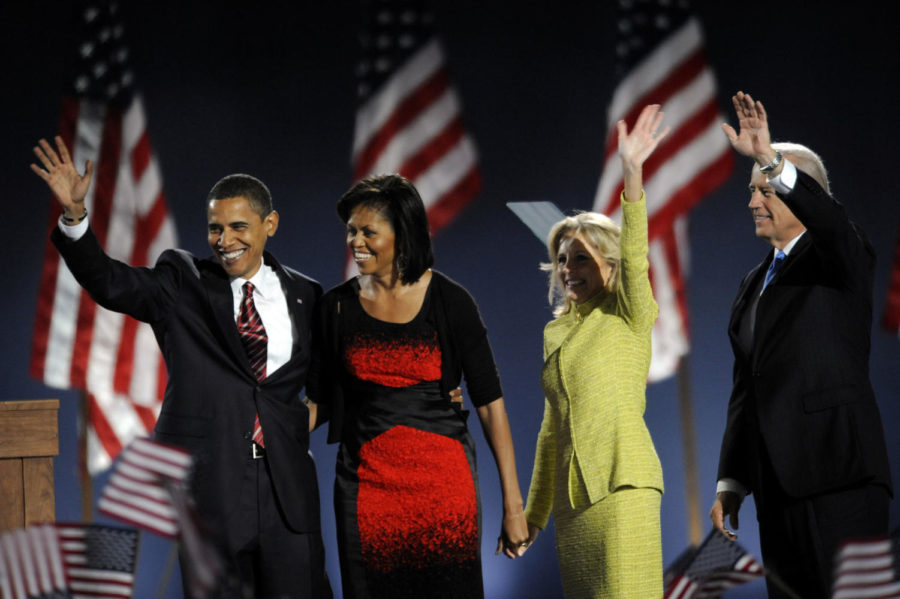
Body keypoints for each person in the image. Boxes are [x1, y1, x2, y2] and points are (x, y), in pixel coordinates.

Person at [30, 137, 331, 599]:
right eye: (214, 229)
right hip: (213, 490)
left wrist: (293, 426)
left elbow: (327, 384)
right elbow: (110, 283)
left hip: (287, 492)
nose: (224, 241)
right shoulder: (182, 282)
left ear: (269, 224)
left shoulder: (307, 295)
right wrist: (74, 217)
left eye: (237, 227)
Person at [305, 173, 529, 599]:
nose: (355, 241)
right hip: (366, 491)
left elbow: (488, 402)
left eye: (368, 232)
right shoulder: (334, 308)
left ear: (402, 233)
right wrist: (269, 430)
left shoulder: (451, 300)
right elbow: (318, 402)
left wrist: (513, 507)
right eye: (351, 231)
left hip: (445, 492)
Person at [710, 91, 893, 598]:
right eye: (752, 189)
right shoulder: (751, 285)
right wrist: (732, 480)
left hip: (841, 480)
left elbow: (831, 222)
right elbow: (746, 387)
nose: (753, 201)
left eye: (765, 189)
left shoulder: (840, 254)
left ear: (801, 193)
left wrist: (770, 158)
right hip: (777, 490)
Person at [523, 104, 669, 598]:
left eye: (581, 257)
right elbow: (551, 431)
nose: (567, 269)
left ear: (607, 262)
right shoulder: (556, 334)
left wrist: (632, 175)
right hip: (573, 508)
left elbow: (636, 256)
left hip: (623, 489)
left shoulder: (629, 311)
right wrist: (532, 517)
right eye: (561, 259)